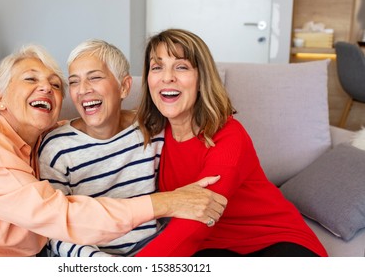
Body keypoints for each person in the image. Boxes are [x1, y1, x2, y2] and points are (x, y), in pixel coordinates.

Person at [0, 44, 226, 257]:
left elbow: (100, 123)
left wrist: (136, 120)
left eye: (55, 85)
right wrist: (167, 203)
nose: (46, 88)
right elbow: (63, 217)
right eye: (30, 79)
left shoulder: (39, 140)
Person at [134, 28, 328, 257]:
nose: (167, 77)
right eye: (157, 67)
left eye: (181, 66)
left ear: (200, 80)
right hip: (212, 247)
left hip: (273, 241)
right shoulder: (152, 135)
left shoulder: (228, 135)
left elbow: (196, 220)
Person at [40, 39, 168, 256]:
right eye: (73, 82)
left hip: (152, 250)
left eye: (95, 77)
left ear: (124, 87)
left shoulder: (153, 130)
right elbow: (55, 230)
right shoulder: (57, 149)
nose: (82, 90)